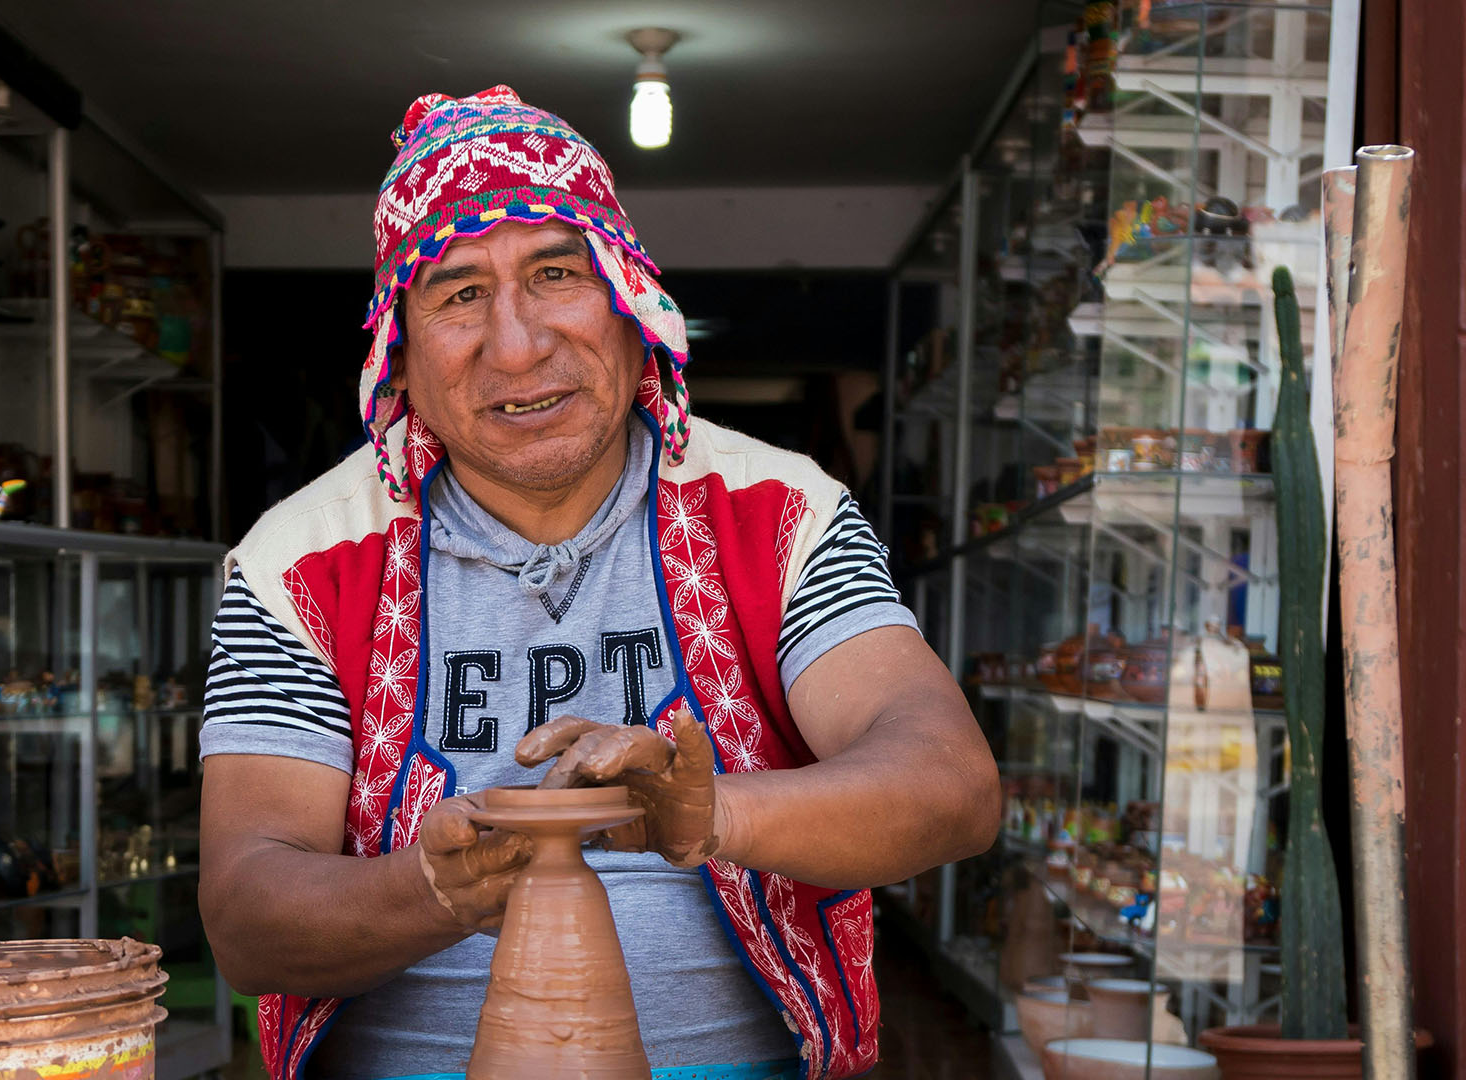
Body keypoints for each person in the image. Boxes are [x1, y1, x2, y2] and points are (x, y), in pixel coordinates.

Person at [198, 86, 998, 1080]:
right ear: (397, 355)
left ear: (630, 303)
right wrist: (431, 889)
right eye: (455, 294)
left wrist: (712, 816)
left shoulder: (779, 513)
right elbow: (243, 917)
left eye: (555, 273)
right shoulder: (299, 561)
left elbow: (952, 784)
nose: (518, 344)